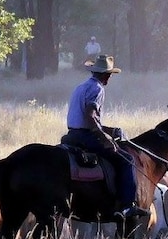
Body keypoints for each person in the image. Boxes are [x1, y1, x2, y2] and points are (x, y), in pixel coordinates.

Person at [61, 54, 148, 220]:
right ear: (102, 74)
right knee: (127, 160)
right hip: (85, 136)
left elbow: (84, 118)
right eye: (108, 74)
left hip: (72, 135)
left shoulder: (81, 87)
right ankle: (127, 206)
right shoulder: (98, 88)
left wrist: (110, 130)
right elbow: (90, 114)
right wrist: (104, 137)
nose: (109, 77)